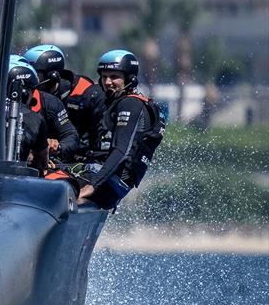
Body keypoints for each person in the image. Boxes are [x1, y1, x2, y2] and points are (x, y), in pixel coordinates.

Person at [76, 49, 165, 209]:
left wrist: (92, 186)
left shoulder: (130, 104)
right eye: (104, 77)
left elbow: (122, 150)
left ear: (130, 79)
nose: (108, 82)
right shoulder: (118, 102)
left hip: (110, 182)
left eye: (114, 77)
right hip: (105, 177)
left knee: (53, 186)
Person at [23, 44, 105, 158]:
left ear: (52, 75)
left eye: (35, 75)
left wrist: (59, 147)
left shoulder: (86, 94)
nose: (30, 80)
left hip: (81, 157)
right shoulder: (29, 96)